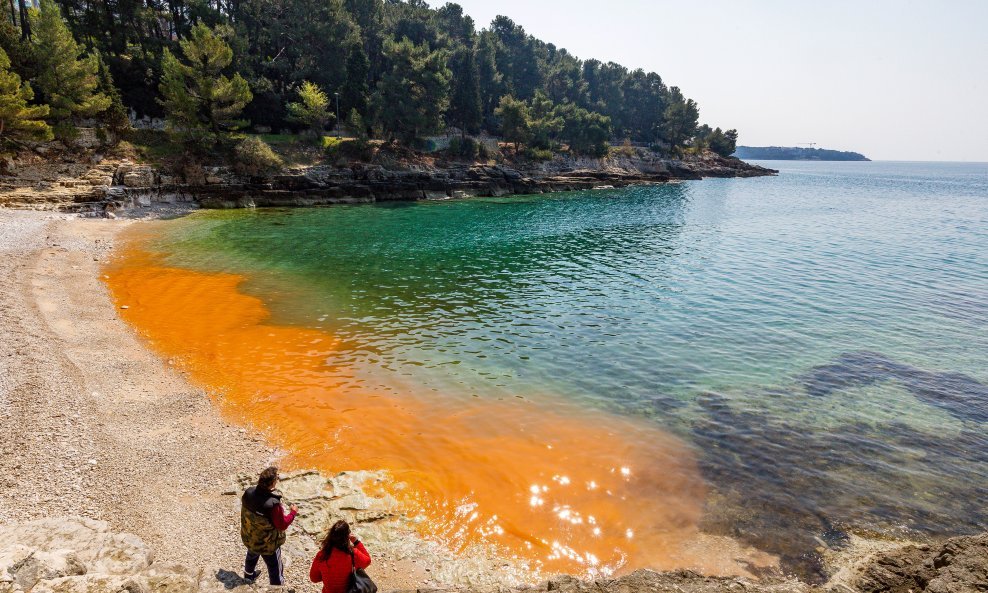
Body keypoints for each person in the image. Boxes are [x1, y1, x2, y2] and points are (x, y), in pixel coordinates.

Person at [241, 466, 298, 585]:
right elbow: (282, 525)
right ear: (272, 484)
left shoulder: (248, 492)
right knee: (274, 568)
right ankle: (277, 588)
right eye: (276, 478)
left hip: (250, 536)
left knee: (251, 554)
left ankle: (248, 576)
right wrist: (293, 512)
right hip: (268, 544)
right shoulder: (272, 504)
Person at [309, 519, 372, 593]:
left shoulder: (322, 555)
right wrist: (356, 542)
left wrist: (326, 575)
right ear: (347, 536)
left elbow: (314, 578)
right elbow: (367, 561)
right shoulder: (352, 553)